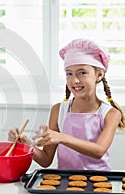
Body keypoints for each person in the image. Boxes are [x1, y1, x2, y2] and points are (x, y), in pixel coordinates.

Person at [8, 38, 125, 170]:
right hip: (65, 184)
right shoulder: (58, 110)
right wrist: (26, 145)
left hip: (98, 182)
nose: (74, 80)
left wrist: (62, 137)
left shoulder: (111, 114)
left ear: (99, 75)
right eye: (69, 73)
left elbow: (99, 151)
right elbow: (46, 160)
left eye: (82, 72)